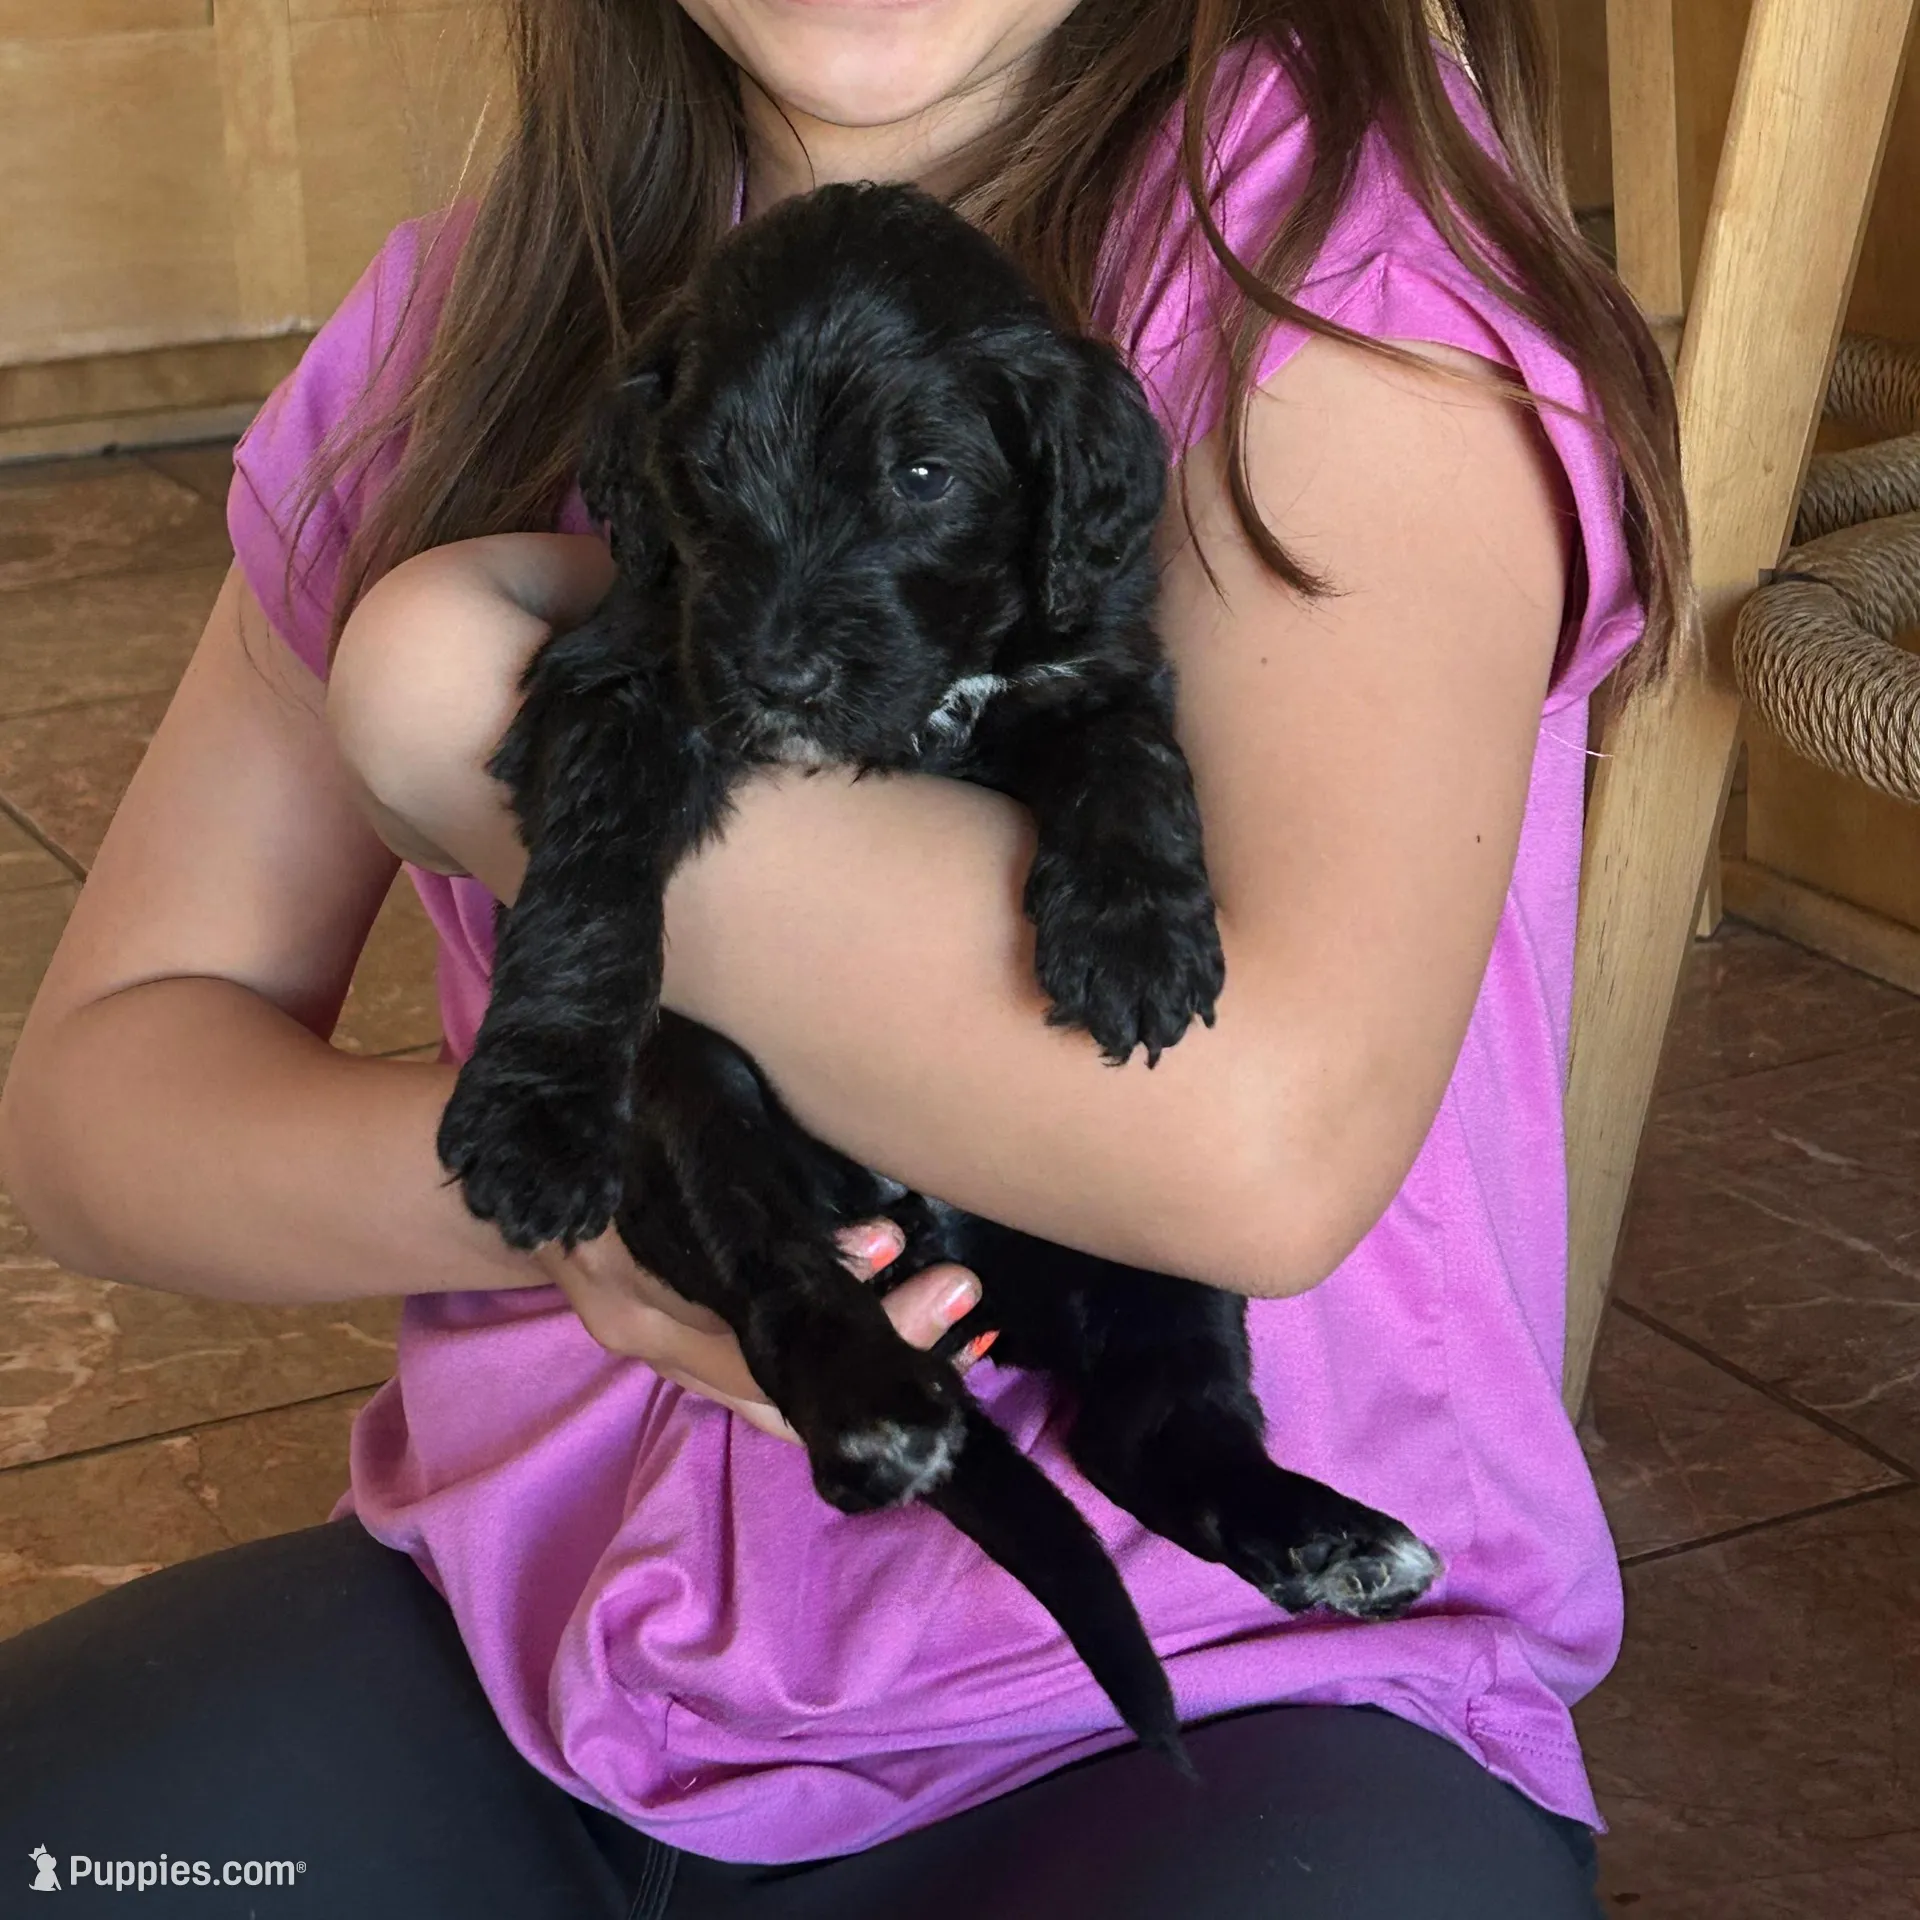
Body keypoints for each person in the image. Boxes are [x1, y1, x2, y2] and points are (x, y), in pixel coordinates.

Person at [0, 2, 1685, 1914]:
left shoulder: (1347, 300)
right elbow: (98, 1105)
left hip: (1230, 1695)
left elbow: (1258, 1150)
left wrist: (462, 721)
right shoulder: (459, 328)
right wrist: (615, 1204)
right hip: (527, 1649)